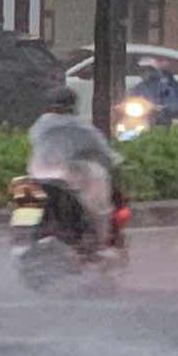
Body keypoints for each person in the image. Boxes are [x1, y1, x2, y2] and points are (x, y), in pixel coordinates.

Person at [26, 85, 122, 253]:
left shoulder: (40, 126)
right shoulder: (80, 127)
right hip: (68, 181)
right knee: (97, 206)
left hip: (37, 179)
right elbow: (104, 152)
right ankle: (96, 243)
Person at [136, 58, 178, 128]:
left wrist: (169, 108)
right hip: (148, 117)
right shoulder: (140, 86)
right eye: (141, 71)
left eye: (147, 70)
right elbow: (132, 98)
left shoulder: (173, 85)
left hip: (171, 116)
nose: (143, 73)